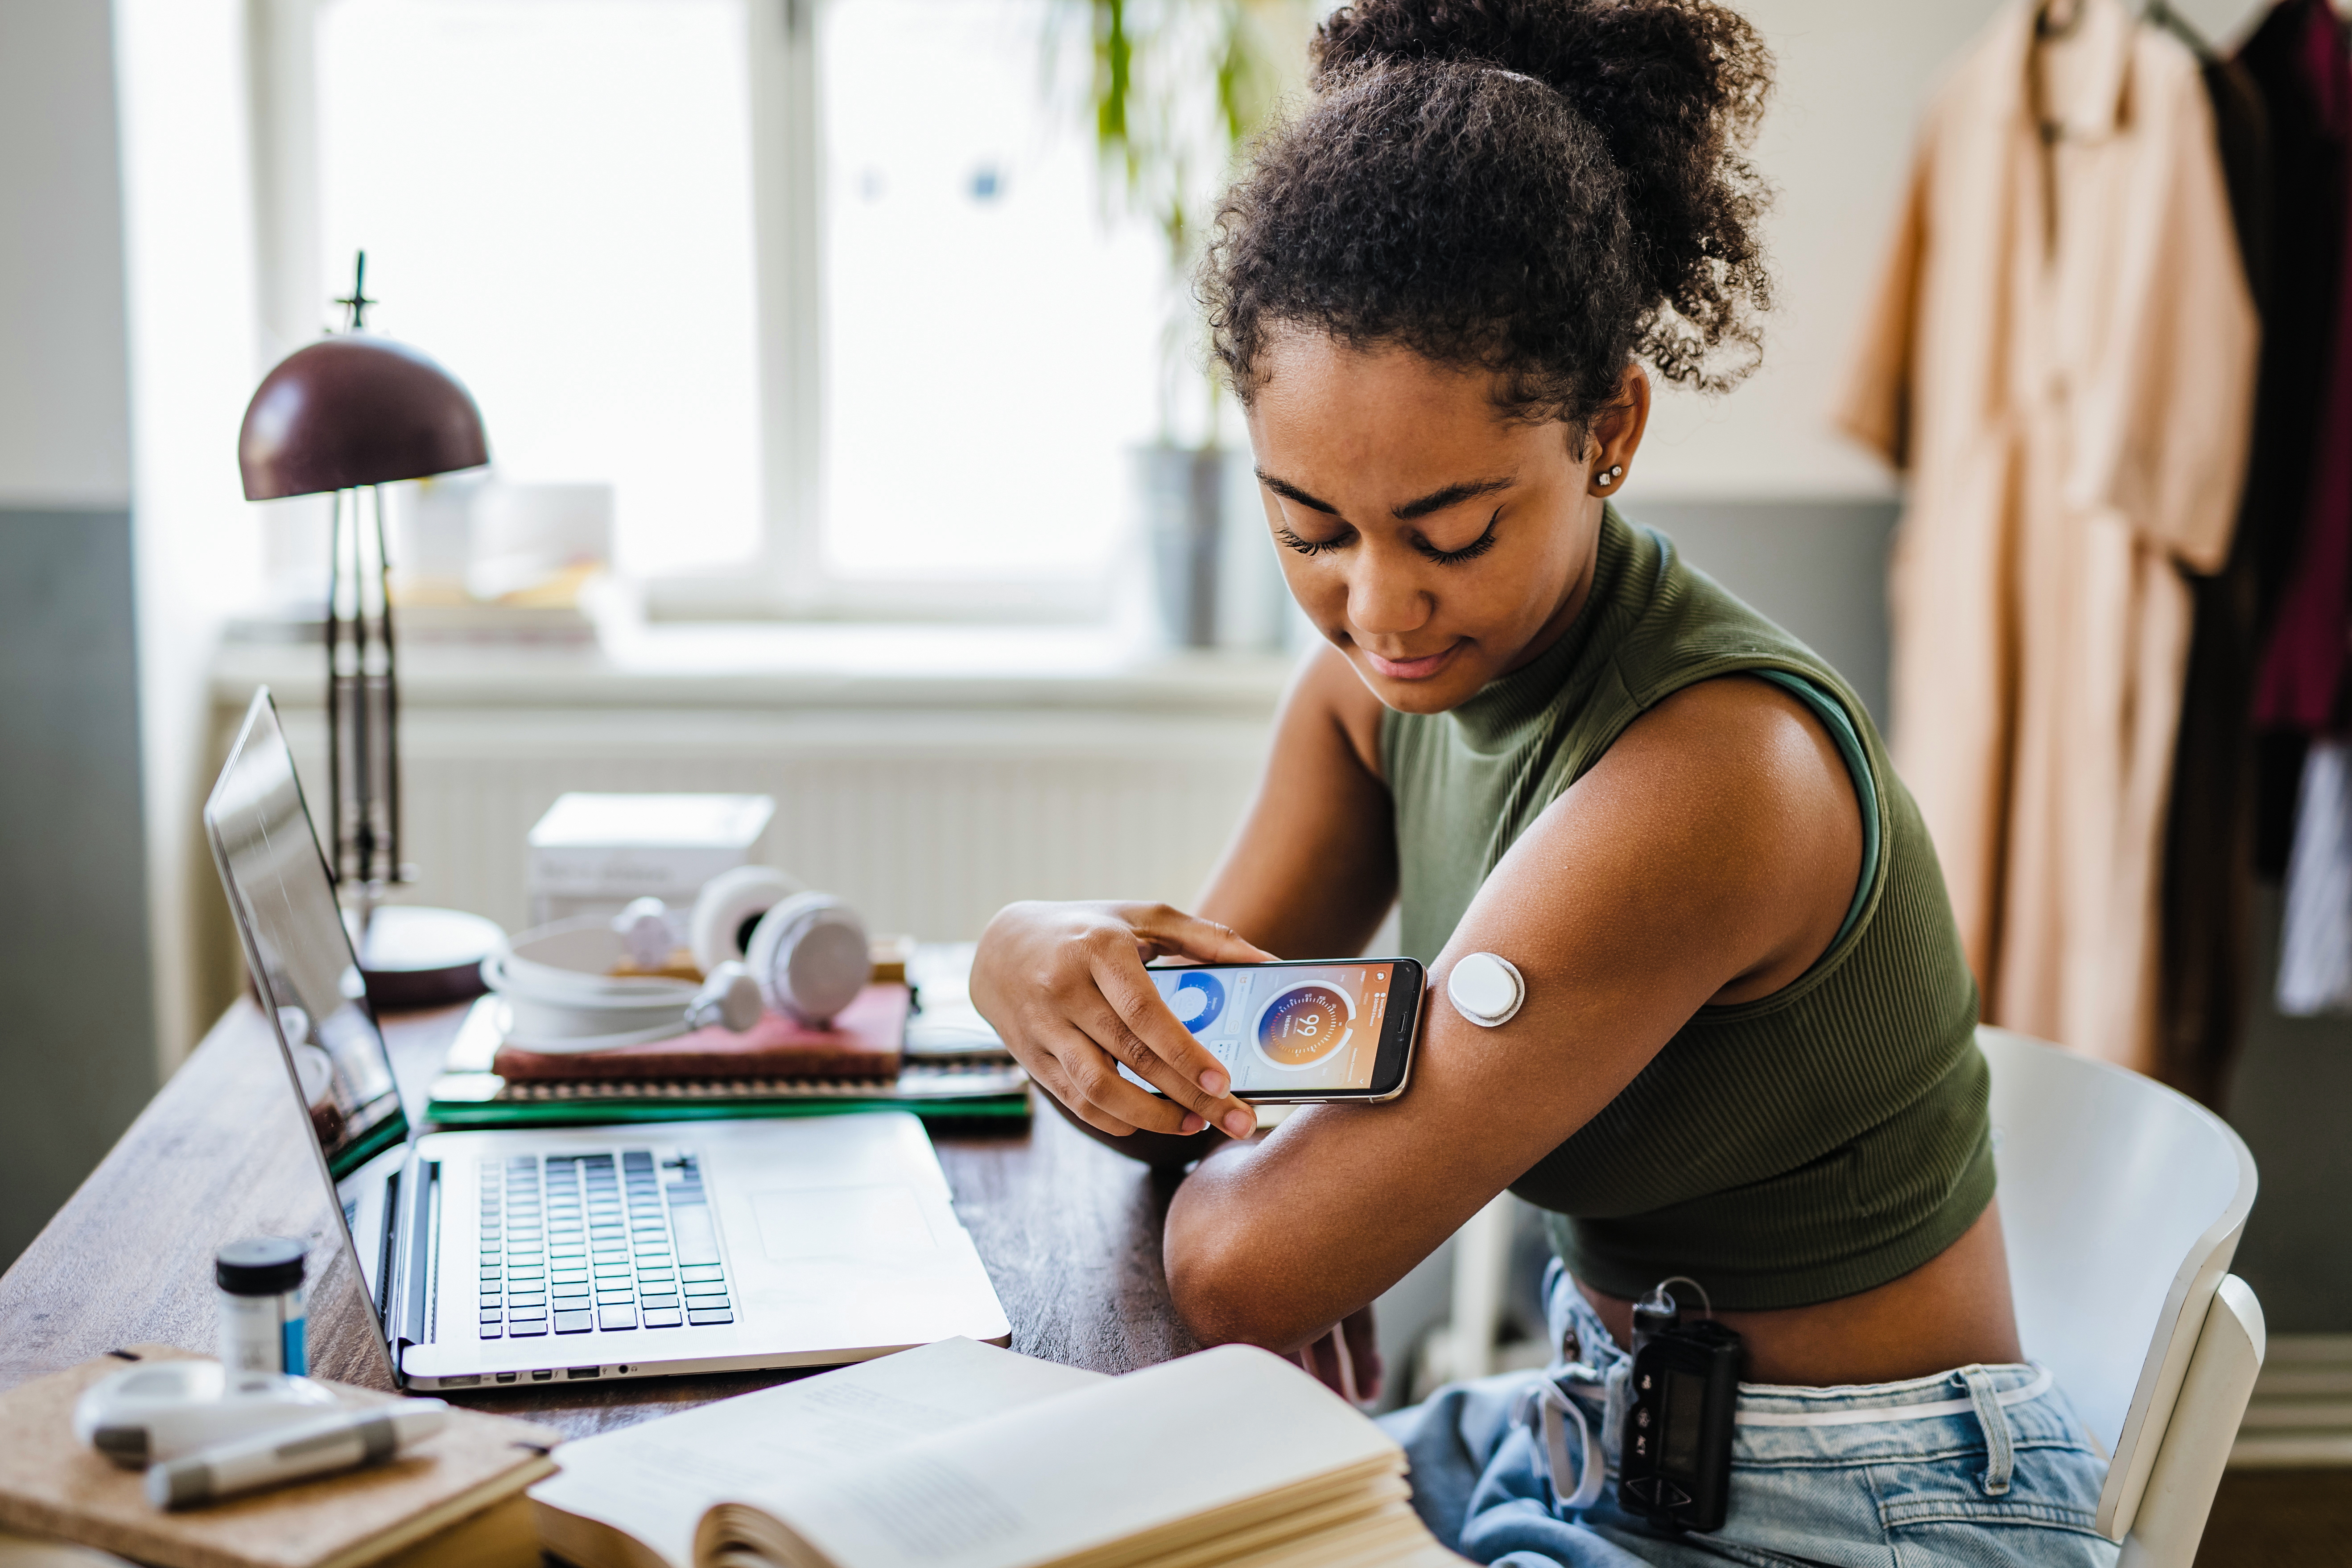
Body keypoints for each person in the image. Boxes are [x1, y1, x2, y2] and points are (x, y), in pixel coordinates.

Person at [967, 0, 2115, 1561]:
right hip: (1594, 1421)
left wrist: (1248, 1164)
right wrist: (1024, 949)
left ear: (1609, 430)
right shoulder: (1376, 702)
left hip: (1844, 1506)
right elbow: (1196, 1074)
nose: (1379, 607)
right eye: (1311, 528)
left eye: (1451, 531)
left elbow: (1246, 1261)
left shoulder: (1709, 784)